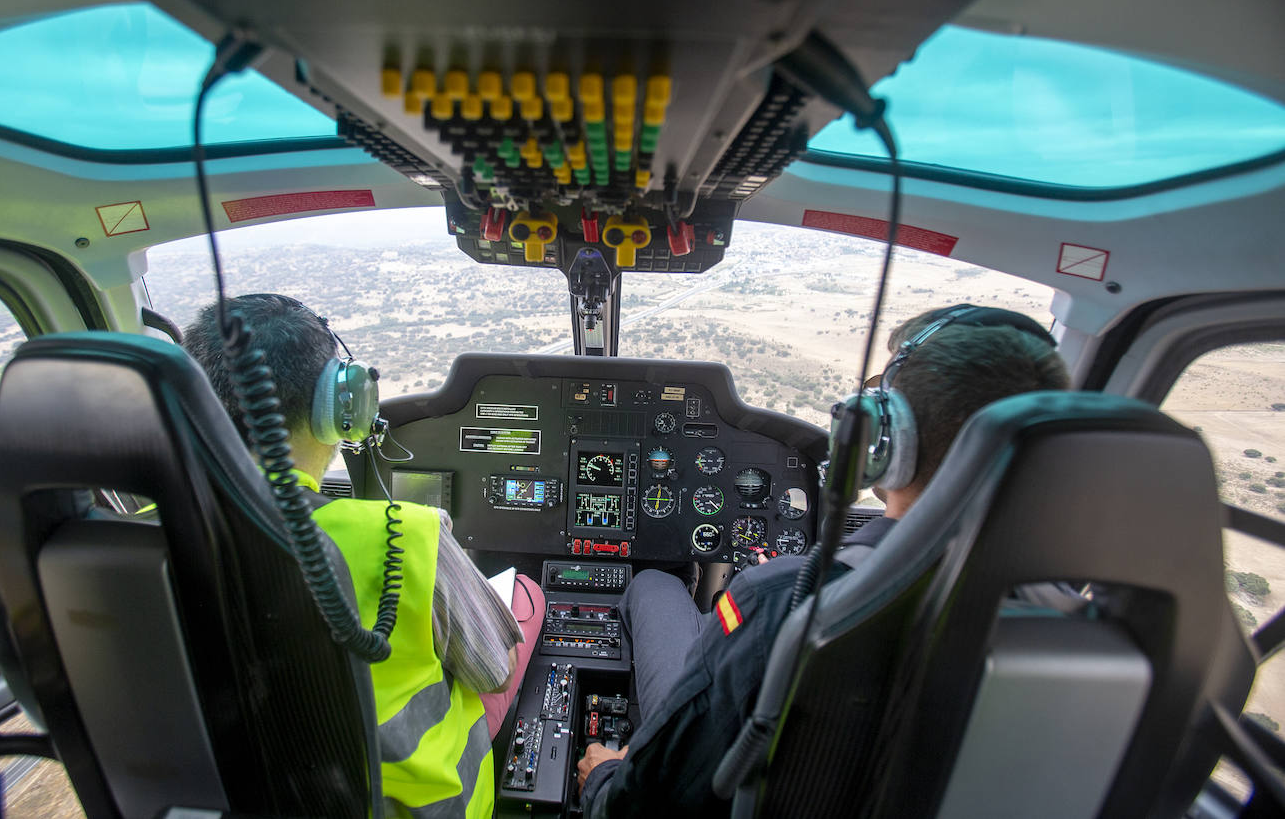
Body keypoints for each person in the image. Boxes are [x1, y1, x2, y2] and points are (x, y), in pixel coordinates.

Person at [577, 304, 1071, 818]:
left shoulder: (785, 600)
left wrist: (605, 778)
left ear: (885, 442)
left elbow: (647, 805)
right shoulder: (1074, 620)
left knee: (654, 584)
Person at [185, 292, 544, 818]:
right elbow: (495, 673)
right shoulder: (406, 535)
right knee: (526, 596)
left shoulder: (139, 537)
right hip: (411, 806)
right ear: (341, 405)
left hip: (245, 798)